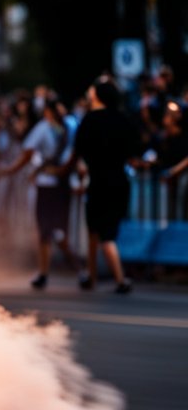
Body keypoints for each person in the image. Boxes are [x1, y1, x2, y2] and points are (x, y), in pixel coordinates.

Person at [0, 98, 81, 288]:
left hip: (46, 184)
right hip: (63, 183)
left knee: (45, 231)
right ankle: (77, 269)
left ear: (47, 112)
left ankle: (46, 272)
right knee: (60, 229)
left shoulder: (44, 127)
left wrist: (8, 170)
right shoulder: (70, 126)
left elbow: (27, 153)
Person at [68, 75, 141, 293]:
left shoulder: (89, 120)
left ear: (98, 96)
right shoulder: (123, 119)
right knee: (103, 230)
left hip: (98, 181)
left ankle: (120, 279)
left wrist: (74, 170)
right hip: (120, 181)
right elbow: (133, 153)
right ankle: (91, 275)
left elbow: (78, 152)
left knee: (101, 233)